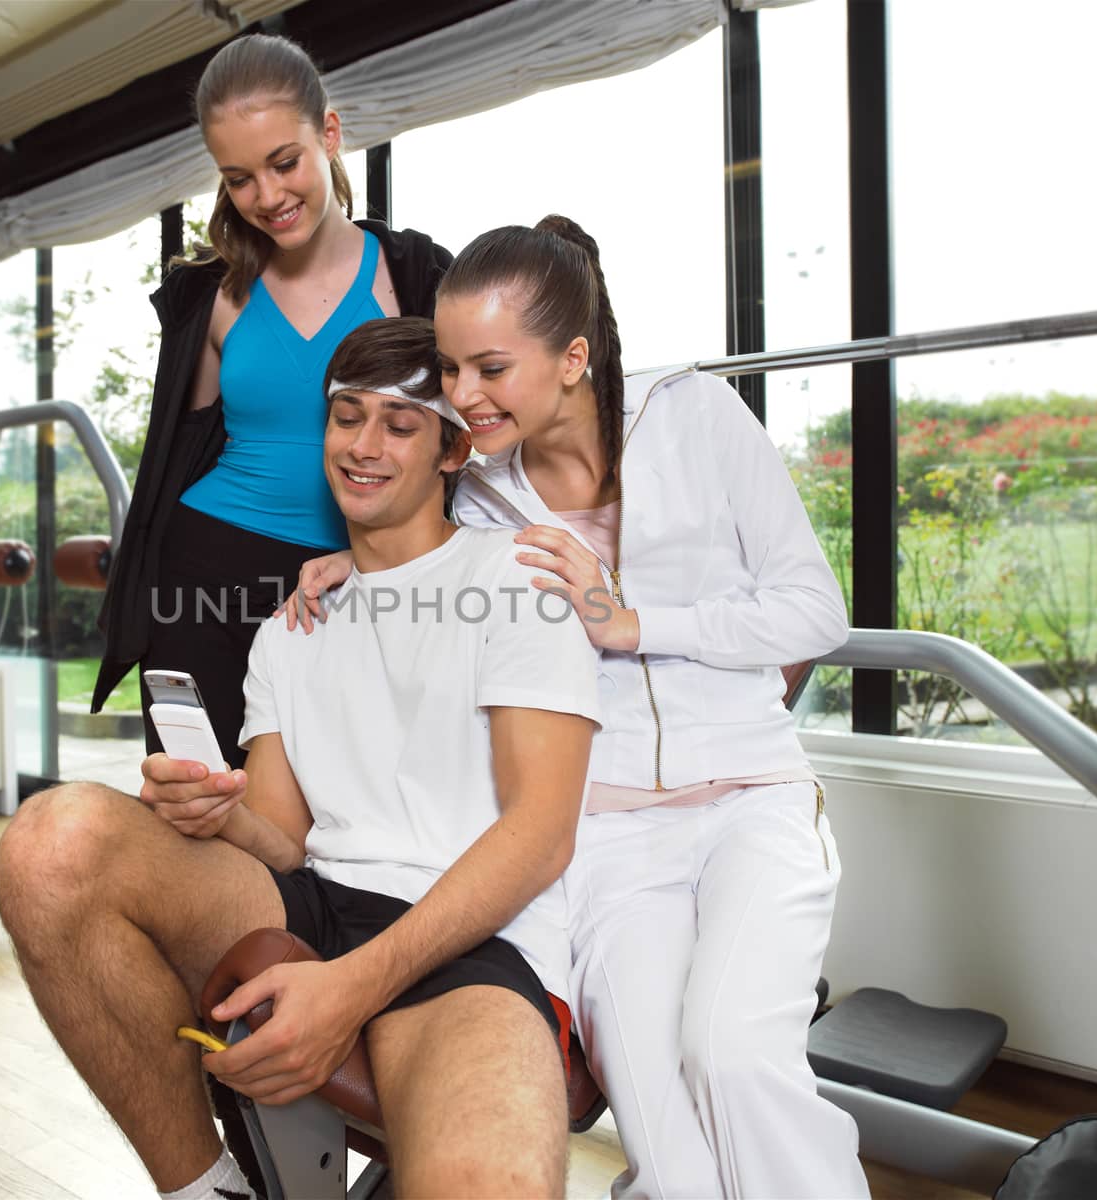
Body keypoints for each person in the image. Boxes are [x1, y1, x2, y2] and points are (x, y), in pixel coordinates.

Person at [281, 217, 869, 1198]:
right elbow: (424, 551)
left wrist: (629, 620)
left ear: (573, 359)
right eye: (451, 369)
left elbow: (814, 610)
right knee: (663, 1134)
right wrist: (356, 562)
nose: (461, 396)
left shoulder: (697, 417)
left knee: (731, 1057)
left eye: (489, 368)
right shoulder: (480, 493)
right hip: (604, 839)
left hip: (750, 801)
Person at [0, 316, 600, 1199]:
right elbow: (284, 840)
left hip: (471, 938)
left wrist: (351, 988)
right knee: (54, 841)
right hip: (317, 901)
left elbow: (541, 835)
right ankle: (206, 1188)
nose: (362, 446)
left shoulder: (518, 582)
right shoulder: (293, 626)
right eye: (346, 416)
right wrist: (216, 812)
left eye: (398, 425)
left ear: (450, 449)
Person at [90, 33, 452, 772]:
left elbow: (461, 444)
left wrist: (391, 557)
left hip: (358, 577)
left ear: (330, 133)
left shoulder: (415, 276)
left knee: (338, 823)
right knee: (201, 811)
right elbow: (181, 449)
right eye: (239, 178)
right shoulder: (213, 297)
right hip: (202, 577)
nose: (268, 197)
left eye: (284, 163)